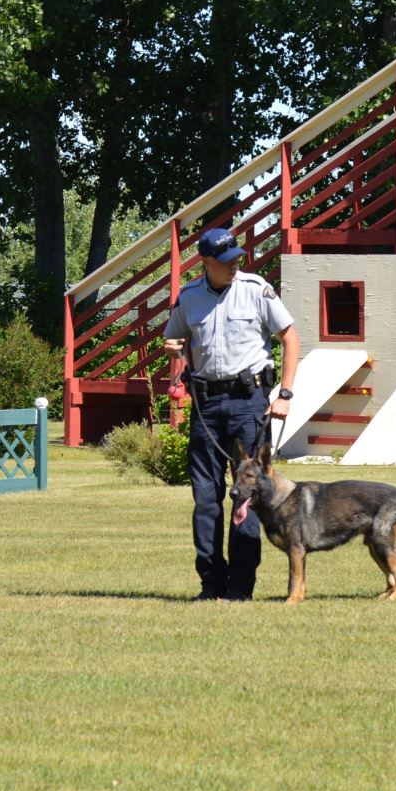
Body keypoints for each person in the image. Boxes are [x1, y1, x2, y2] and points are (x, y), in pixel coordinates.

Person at [163, 226, 299, 601]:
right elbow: (173, 340)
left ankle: (240, 588)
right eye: (225, 261)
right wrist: (173, 349)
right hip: (207, 406)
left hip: (248, 403)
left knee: (247, 495)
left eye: (237, 258)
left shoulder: (256, 289)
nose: (234, 265)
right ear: (205, 262)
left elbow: (290, 336)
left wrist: (284, 393)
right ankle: (210, 585)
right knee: (206, 497)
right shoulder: (188, 297)